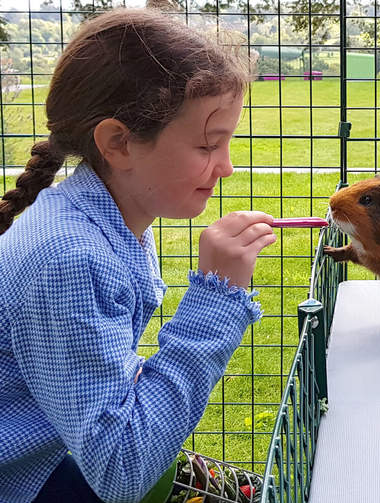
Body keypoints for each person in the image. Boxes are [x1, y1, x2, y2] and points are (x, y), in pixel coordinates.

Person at [0, 8, 275, 502]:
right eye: (209, 145)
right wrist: (217, 302)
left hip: (48, 455)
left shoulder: (107, 219)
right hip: (24, 480)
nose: (227, 167)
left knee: (253, 493)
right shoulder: (70, 257)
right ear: (118, 143)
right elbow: (124, 467)